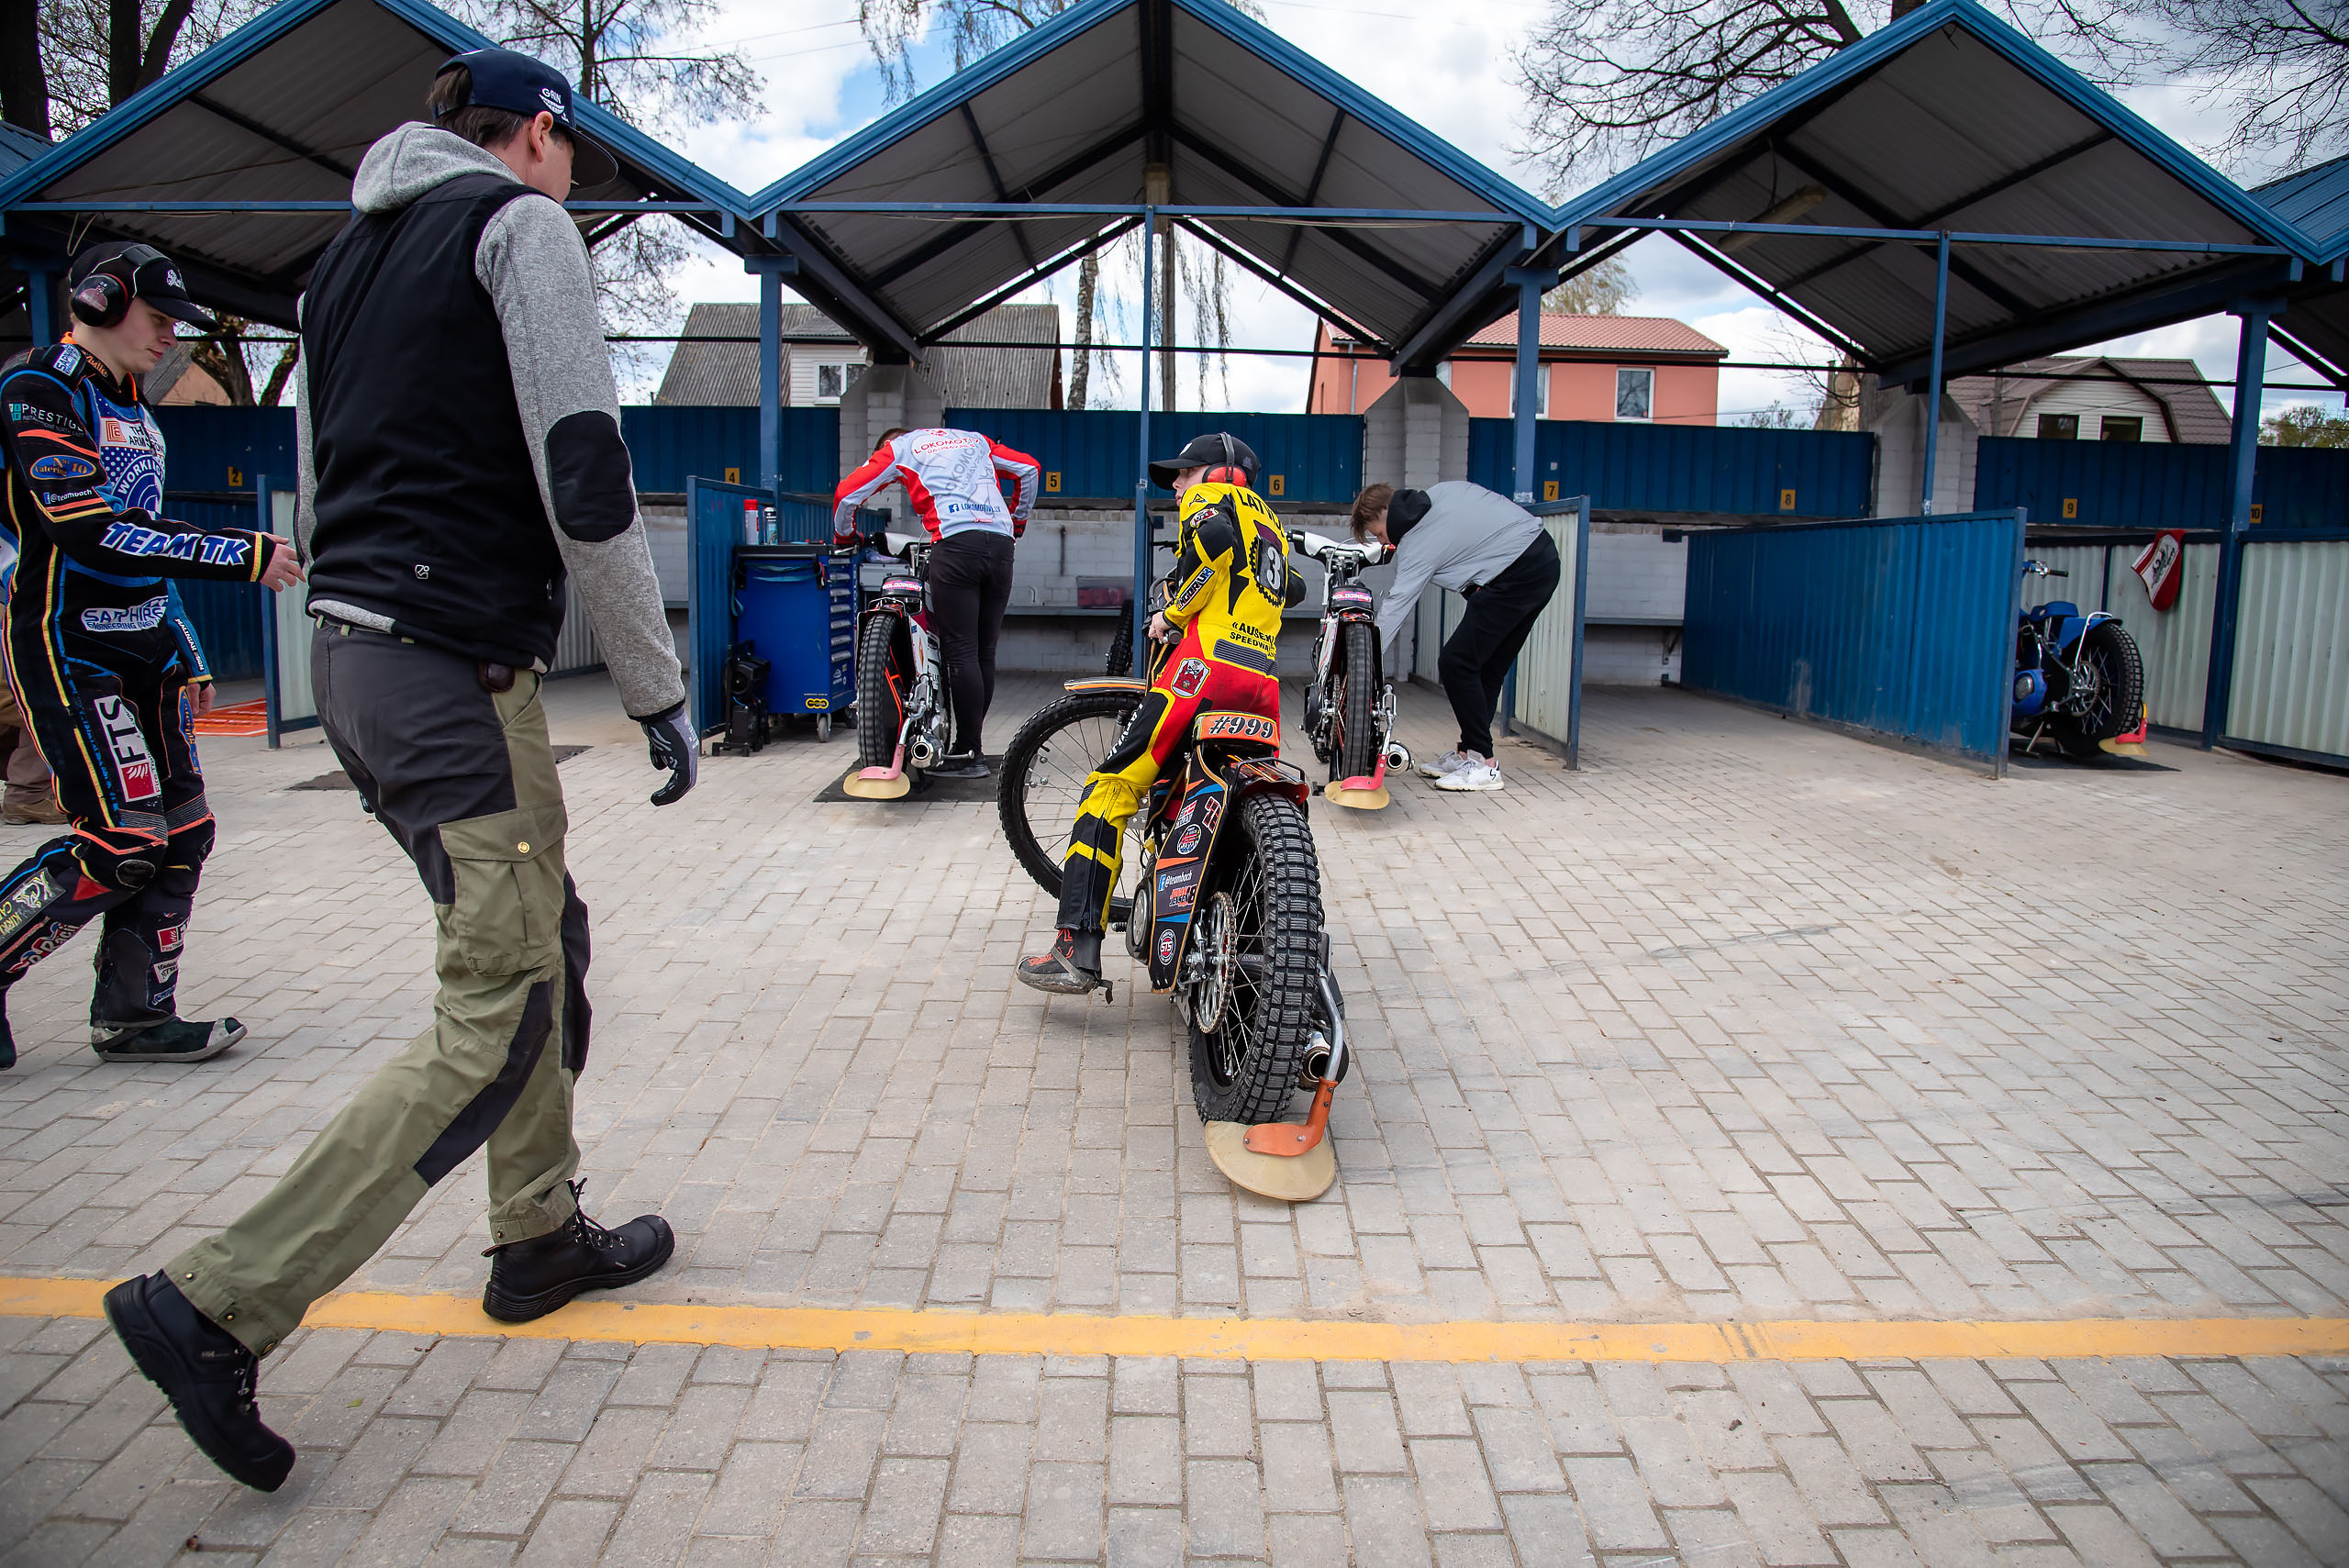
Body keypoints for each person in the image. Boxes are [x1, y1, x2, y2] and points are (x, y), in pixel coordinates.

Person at [103, 47, 698, 1495]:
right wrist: (656, 683)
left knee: (536, 938)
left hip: (364, 663)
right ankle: (217, 1303)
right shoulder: (517, 224)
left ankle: (537, 1235)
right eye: (572, 156)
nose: (574, 185)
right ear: (539, 135)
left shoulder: (338, 268)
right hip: (452, 668)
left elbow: (336, 466)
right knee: (497, 1010)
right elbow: (584, 467)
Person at [0, 240, 306, 1072]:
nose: (171, 335)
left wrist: (187, 647)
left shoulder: (134, 404)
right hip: (73, 647)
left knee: (185, 832)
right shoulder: (38, 388)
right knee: (119, 840)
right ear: (98, 301)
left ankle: (136, 1015)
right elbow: (90, 528)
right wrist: (238, 552)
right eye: (159, 316)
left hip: (149, 651)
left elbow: (145, 536)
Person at [1018, 433, 1297, 994]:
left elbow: (1214, 547)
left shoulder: (1216, 501)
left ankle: (1075, 949)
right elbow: (1291, 588)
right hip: (1260, 685)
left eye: (1185, 472)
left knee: (1109, 790)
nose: (1176, 483)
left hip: (1200, 673)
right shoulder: (1273, 526)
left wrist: (1171, 613)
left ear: (1219, 472)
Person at [833, 426, 1040, 776]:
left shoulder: (901, 447)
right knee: (982, 652)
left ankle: (968, 756)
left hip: (955, 544)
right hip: (1001, 547)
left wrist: (845, 535)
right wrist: (1016, 523)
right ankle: (971, 744)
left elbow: (847, 493)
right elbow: (1029, 469)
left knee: (959, 651)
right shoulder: (976, 440)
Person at [1353, 481, 1560, 794]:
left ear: (1385, 511)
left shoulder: (1418, 540)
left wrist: (1366, 660)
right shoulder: (1440, 493)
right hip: (1540, 560)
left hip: (1516, 573)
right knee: (1486, 667)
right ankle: (1468, 752)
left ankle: (1482, 763)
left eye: (1379, 532)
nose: (1385, 542)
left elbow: (1398, 604)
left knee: (1456, 662)